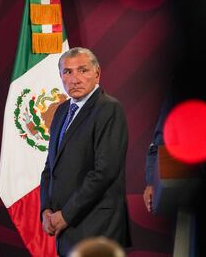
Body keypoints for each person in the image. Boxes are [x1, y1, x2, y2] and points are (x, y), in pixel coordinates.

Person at [40, 47, 131, 256]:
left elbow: (104, 172)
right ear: (61, 76)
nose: (75, 79)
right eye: (68, 72)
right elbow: (50, 167)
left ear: (97, 73)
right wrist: (46, 210)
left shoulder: (108, 108)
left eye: (83, 70)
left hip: (97, 226)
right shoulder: (62, 110)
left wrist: (66, 215)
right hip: (66, 228)